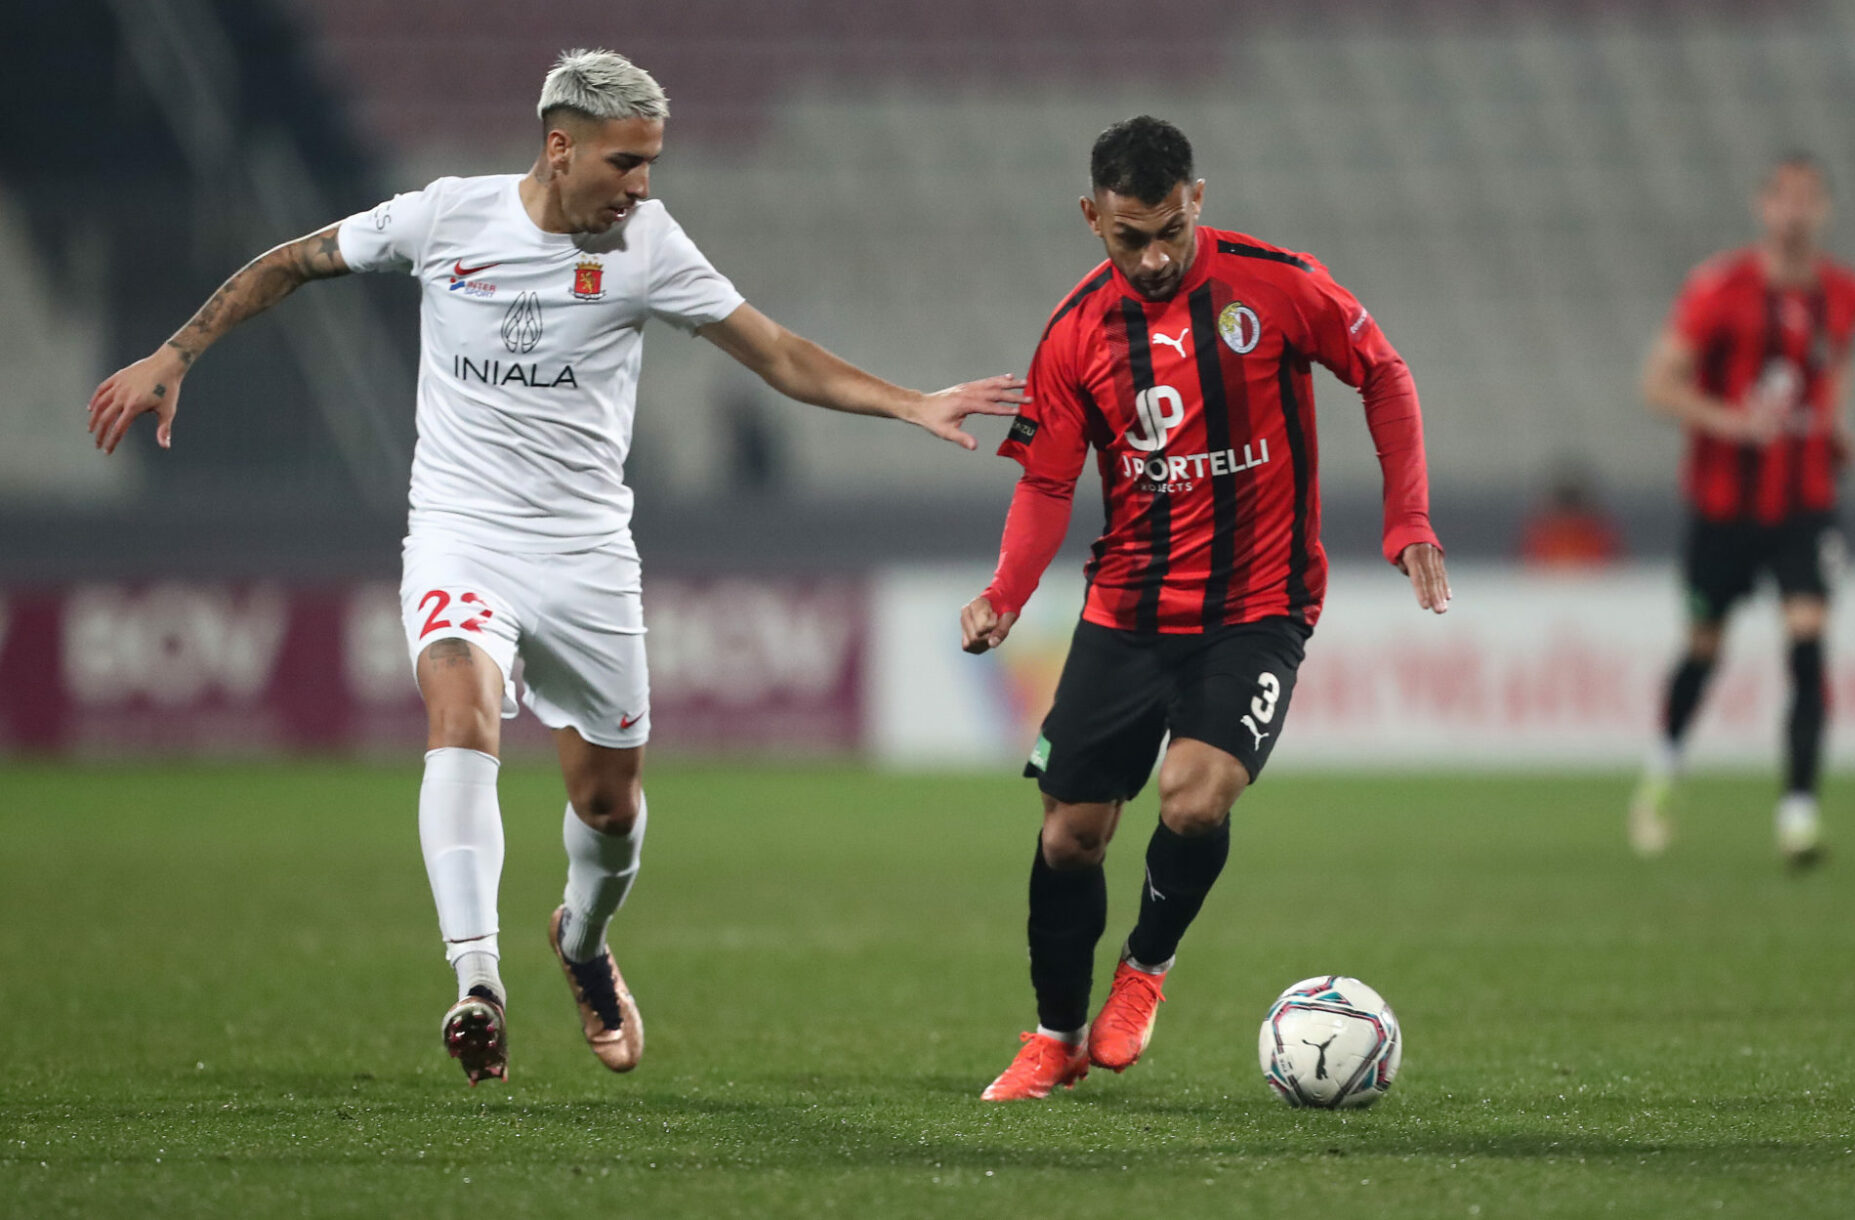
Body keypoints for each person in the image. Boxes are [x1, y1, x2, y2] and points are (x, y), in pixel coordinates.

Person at [86, 49, 1024, 1086]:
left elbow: (776, 352)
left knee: (611, 806)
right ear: (559, 146)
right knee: (460, 707)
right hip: (460, 530)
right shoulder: (447, 218)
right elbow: (294, 259)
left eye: (652, 163)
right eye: (626, 162)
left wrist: (909, 403)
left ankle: (579, 941)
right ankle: (475, 982)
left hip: (583, 555)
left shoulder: (649, 245)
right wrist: (174, 353)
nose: (643, 185)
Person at [957, 116, 1449, 1101]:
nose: (1151, 256)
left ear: (1197, 200)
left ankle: (1144, 967)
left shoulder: (1277, 284)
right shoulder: (1073, 335)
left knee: (1193, 792)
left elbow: (1383, 373)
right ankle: (1054, 1034)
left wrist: (1407, 518)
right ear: (1091, 217)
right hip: (1127, 608)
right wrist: (1005, 593)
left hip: (1255, 604)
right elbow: (1047, 483)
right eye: (1127, 236)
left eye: (1169, 231)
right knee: (1069, 836)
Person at [1627, 153, 1855, 867]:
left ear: (1823, 208)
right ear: (1764, 206)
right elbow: (1656, 385)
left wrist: (1833, 426)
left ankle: (1799, 813)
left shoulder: (1847, 294)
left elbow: (1836, 364)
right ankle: (1663, 773)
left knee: (1807, 641)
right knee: (1705, 646)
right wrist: (1730, 423)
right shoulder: (1721, 288)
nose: (1795, 211)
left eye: (1808, 198)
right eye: (1783, 197)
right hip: (1723, 504)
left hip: (1804, 504)